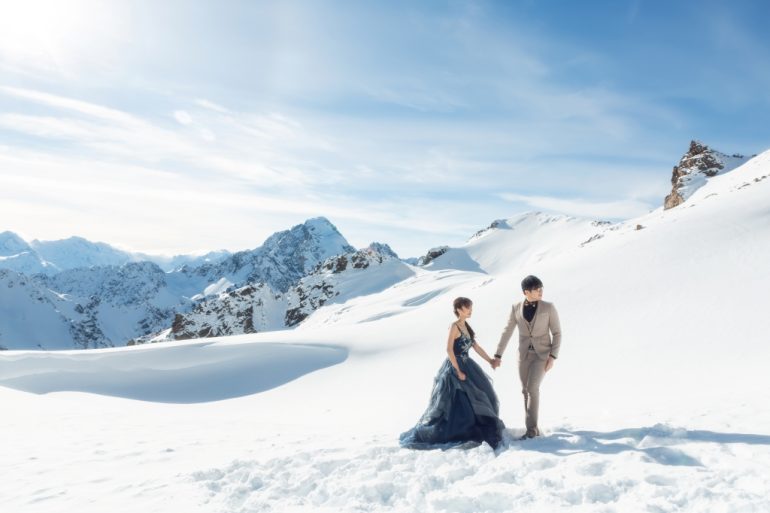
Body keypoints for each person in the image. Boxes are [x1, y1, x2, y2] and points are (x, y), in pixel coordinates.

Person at [399, 297, 505, 449]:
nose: (470, 310)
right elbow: (449, 349)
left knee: (482, 394)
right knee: (460, 400)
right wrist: (457, 370)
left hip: (467, 364)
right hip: (456, 366)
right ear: (459, 309)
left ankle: (477, 426)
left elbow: (476, 347)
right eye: (468, 307)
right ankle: (459, 431)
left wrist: (490, 360)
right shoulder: (454, 326)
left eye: (471, 307)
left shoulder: (466, 326)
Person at [492, 275, 561, 440]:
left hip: (542, 354)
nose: (540, 292)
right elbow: (507, 331)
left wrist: (552, 356)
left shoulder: (548, 307)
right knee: (525, 391)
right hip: (523, 355)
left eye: (541, 289)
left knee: (532, 389)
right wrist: (498, 354)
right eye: (537, 289)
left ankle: (531, 431)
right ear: (526, 292)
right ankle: (531, 427)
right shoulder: (516, 308)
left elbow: (557, 333)